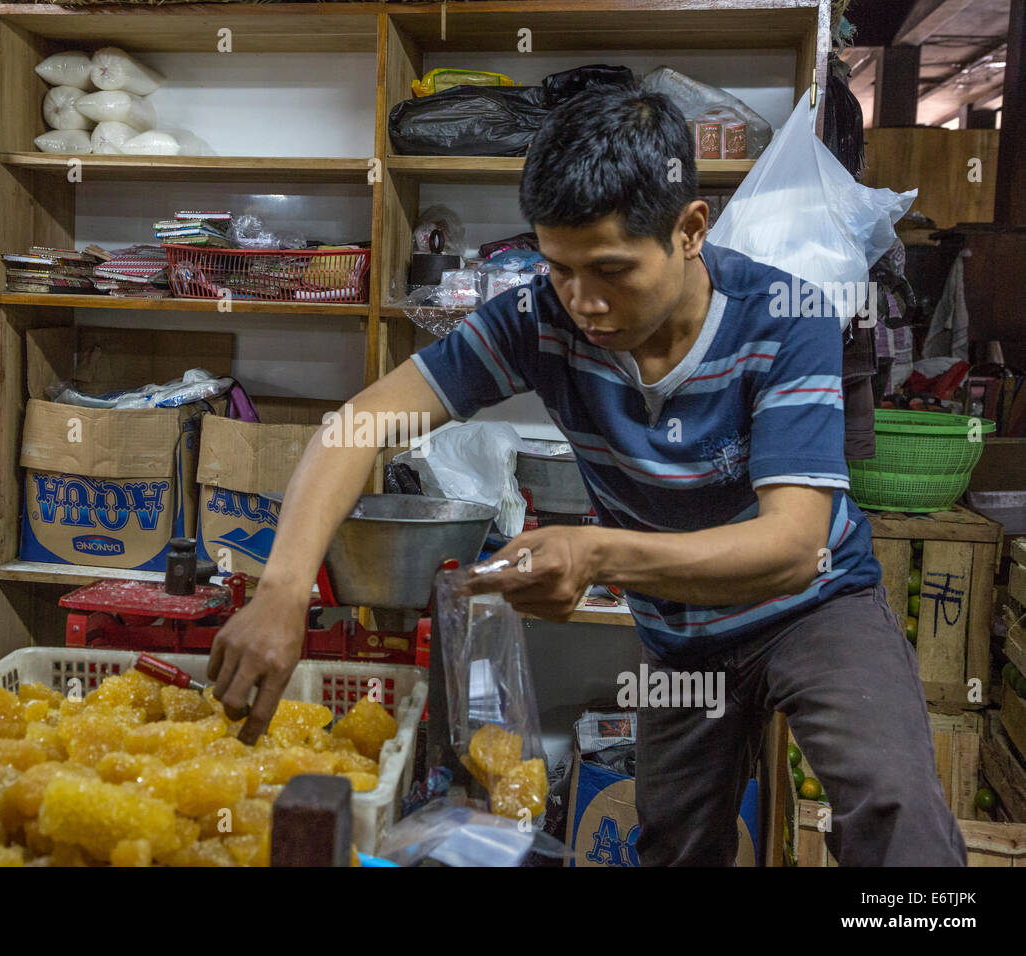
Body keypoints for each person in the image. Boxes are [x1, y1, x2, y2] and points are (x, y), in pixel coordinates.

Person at [208, 84, 966, 866]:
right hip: (682, 636)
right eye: (560, 268)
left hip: (816, 606)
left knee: (892, 806)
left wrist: (600, 553)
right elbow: (357, 428)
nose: (585, 302)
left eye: (611, 269)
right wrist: (282, 590)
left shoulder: (785, 316)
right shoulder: (540, 319)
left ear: (690, 229)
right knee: (678, 844)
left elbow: (792, 545)